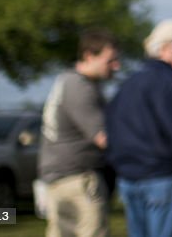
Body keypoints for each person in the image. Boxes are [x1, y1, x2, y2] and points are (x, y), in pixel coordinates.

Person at [106, 19, 172, 237]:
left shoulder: (129, 83)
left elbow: (111, 126)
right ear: (169, 48)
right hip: (164, 178)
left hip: (130, 178)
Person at [39, 28, 121, 237]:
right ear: (88, 56)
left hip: (61, 178)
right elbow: (104, 138)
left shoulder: (68, 80)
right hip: (78, 180)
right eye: (110, 60)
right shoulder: (80, 87)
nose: (116, 66)